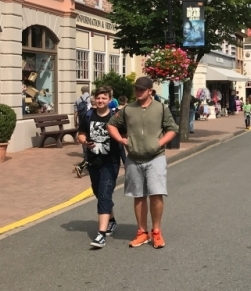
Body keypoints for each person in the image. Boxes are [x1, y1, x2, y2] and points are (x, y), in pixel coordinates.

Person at [107, 76, 178, 249]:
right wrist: (121, 140)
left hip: (156, 157)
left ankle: (156, 231)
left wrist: (159, 143)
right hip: (134, 158)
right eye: (136, 89)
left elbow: (172, 129)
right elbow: (111, 124)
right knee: (138, 196)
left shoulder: (161, 108)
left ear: (150, 91)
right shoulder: (128, 109)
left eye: (142, 89)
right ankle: (142, 232)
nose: (138, 92)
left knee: (156, 194)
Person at [78, 88, 121, 248]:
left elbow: (124, 136)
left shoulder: (115, 118)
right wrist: (85, 142)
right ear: (94, 99)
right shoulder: (88, 115)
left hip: (111, 162)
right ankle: (111, 220)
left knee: (104, 194)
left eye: (104, 98)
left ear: (110, 100)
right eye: (98, 98)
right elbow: (81, 134)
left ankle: (101, 235)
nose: (101, 100)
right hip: (93, 161)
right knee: (99, 193)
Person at [74, 86, 92, 177]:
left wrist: (75, 122)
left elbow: (75, 112)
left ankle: (85, 161)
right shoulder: (91, 99)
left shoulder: (78, 100)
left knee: (85, 144)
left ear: (82, 91)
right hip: (90, 124)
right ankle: (84, 165)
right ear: (88, 91)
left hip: (82, 123)